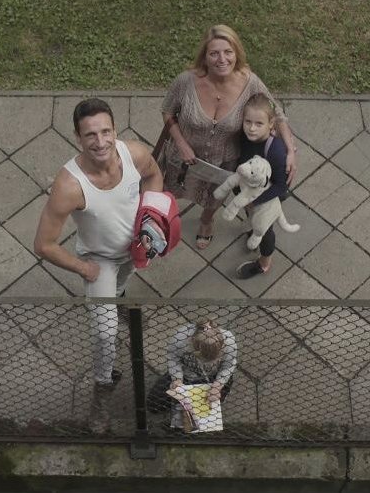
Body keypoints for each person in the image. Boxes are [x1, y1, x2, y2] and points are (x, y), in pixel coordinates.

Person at [33, 98, 163, 430]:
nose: (100, 141)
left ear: (115, 130)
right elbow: (43, 245)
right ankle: (102, 392)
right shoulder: (69, 185)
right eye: (90, 135)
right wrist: (83, 268)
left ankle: (118, 300)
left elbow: (154, 175)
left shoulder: (133, 154)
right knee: (105, 336)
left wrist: (150, 220)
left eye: (106, 131)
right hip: (99, 261)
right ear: (78, 138)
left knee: (122, 284)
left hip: (134, 249)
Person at [159, 24, 298, 250]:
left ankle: (206, 221)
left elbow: (278, 114)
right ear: (204, 56)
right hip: (184, 159)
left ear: (237, 53)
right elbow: (167, 110)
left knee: (215, 196)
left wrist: (291, 151)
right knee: (174, 190)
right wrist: (181, 143)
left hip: (224, 162)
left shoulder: (250, 82)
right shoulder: (186, 81)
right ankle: (164, 221)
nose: (221, 59)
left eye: (228, 52)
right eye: (214, 53)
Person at [232, 93, 292, 279]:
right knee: (252, 219)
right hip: (248, 191)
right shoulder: (244, 136)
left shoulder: (276, 151)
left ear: (271, 124)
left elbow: (280, 187)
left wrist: (254, 201)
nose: (251, 128)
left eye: (259, 124)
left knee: (265, 230)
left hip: (266, 196)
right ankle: (252, 227)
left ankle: (264, 263)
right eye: (247, 121)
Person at [147, 318, 238, 421]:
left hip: (213, 377)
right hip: (186, 375)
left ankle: (216, 398)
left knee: (211, 404)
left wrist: (217, 386)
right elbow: (173, 358)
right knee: (153, 405)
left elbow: (228, 365)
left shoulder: (229, 340)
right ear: (193, 344)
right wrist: (177, 379)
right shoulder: (180, 338)